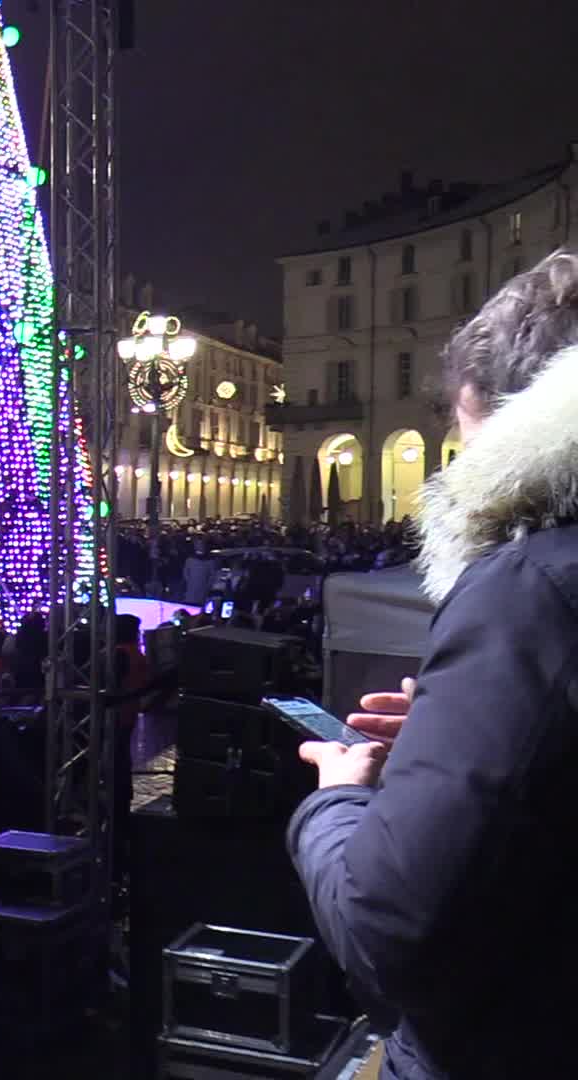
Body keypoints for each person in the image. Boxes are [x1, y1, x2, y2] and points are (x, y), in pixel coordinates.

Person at [289, 249, 578, 1080]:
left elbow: (386, 934)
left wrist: (337, 799)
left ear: (507, 415)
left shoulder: (531, 589)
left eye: (461, 429)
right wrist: (473, 746)